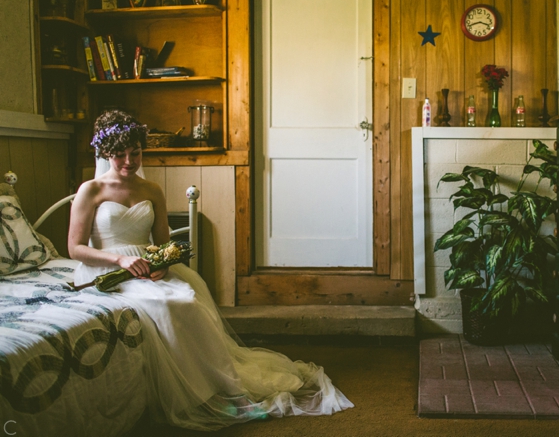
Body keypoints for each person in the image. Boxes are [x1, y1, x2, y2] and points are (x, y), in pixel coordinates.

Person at [68, 110, 353, 430]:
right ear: (105, 153)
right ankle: (196, 391)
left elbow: (163, 244)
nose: (128, 162)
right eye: (120, 155)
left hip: (147, 267)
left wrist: (161, 266)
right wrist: (119, 261)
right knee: (163, 305)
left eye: (135, 153)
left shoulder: (151, 190)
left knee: (190, 297)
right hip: (106, 267)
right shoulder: (90, 190)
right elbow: (74, 248)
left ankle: (219, 384)